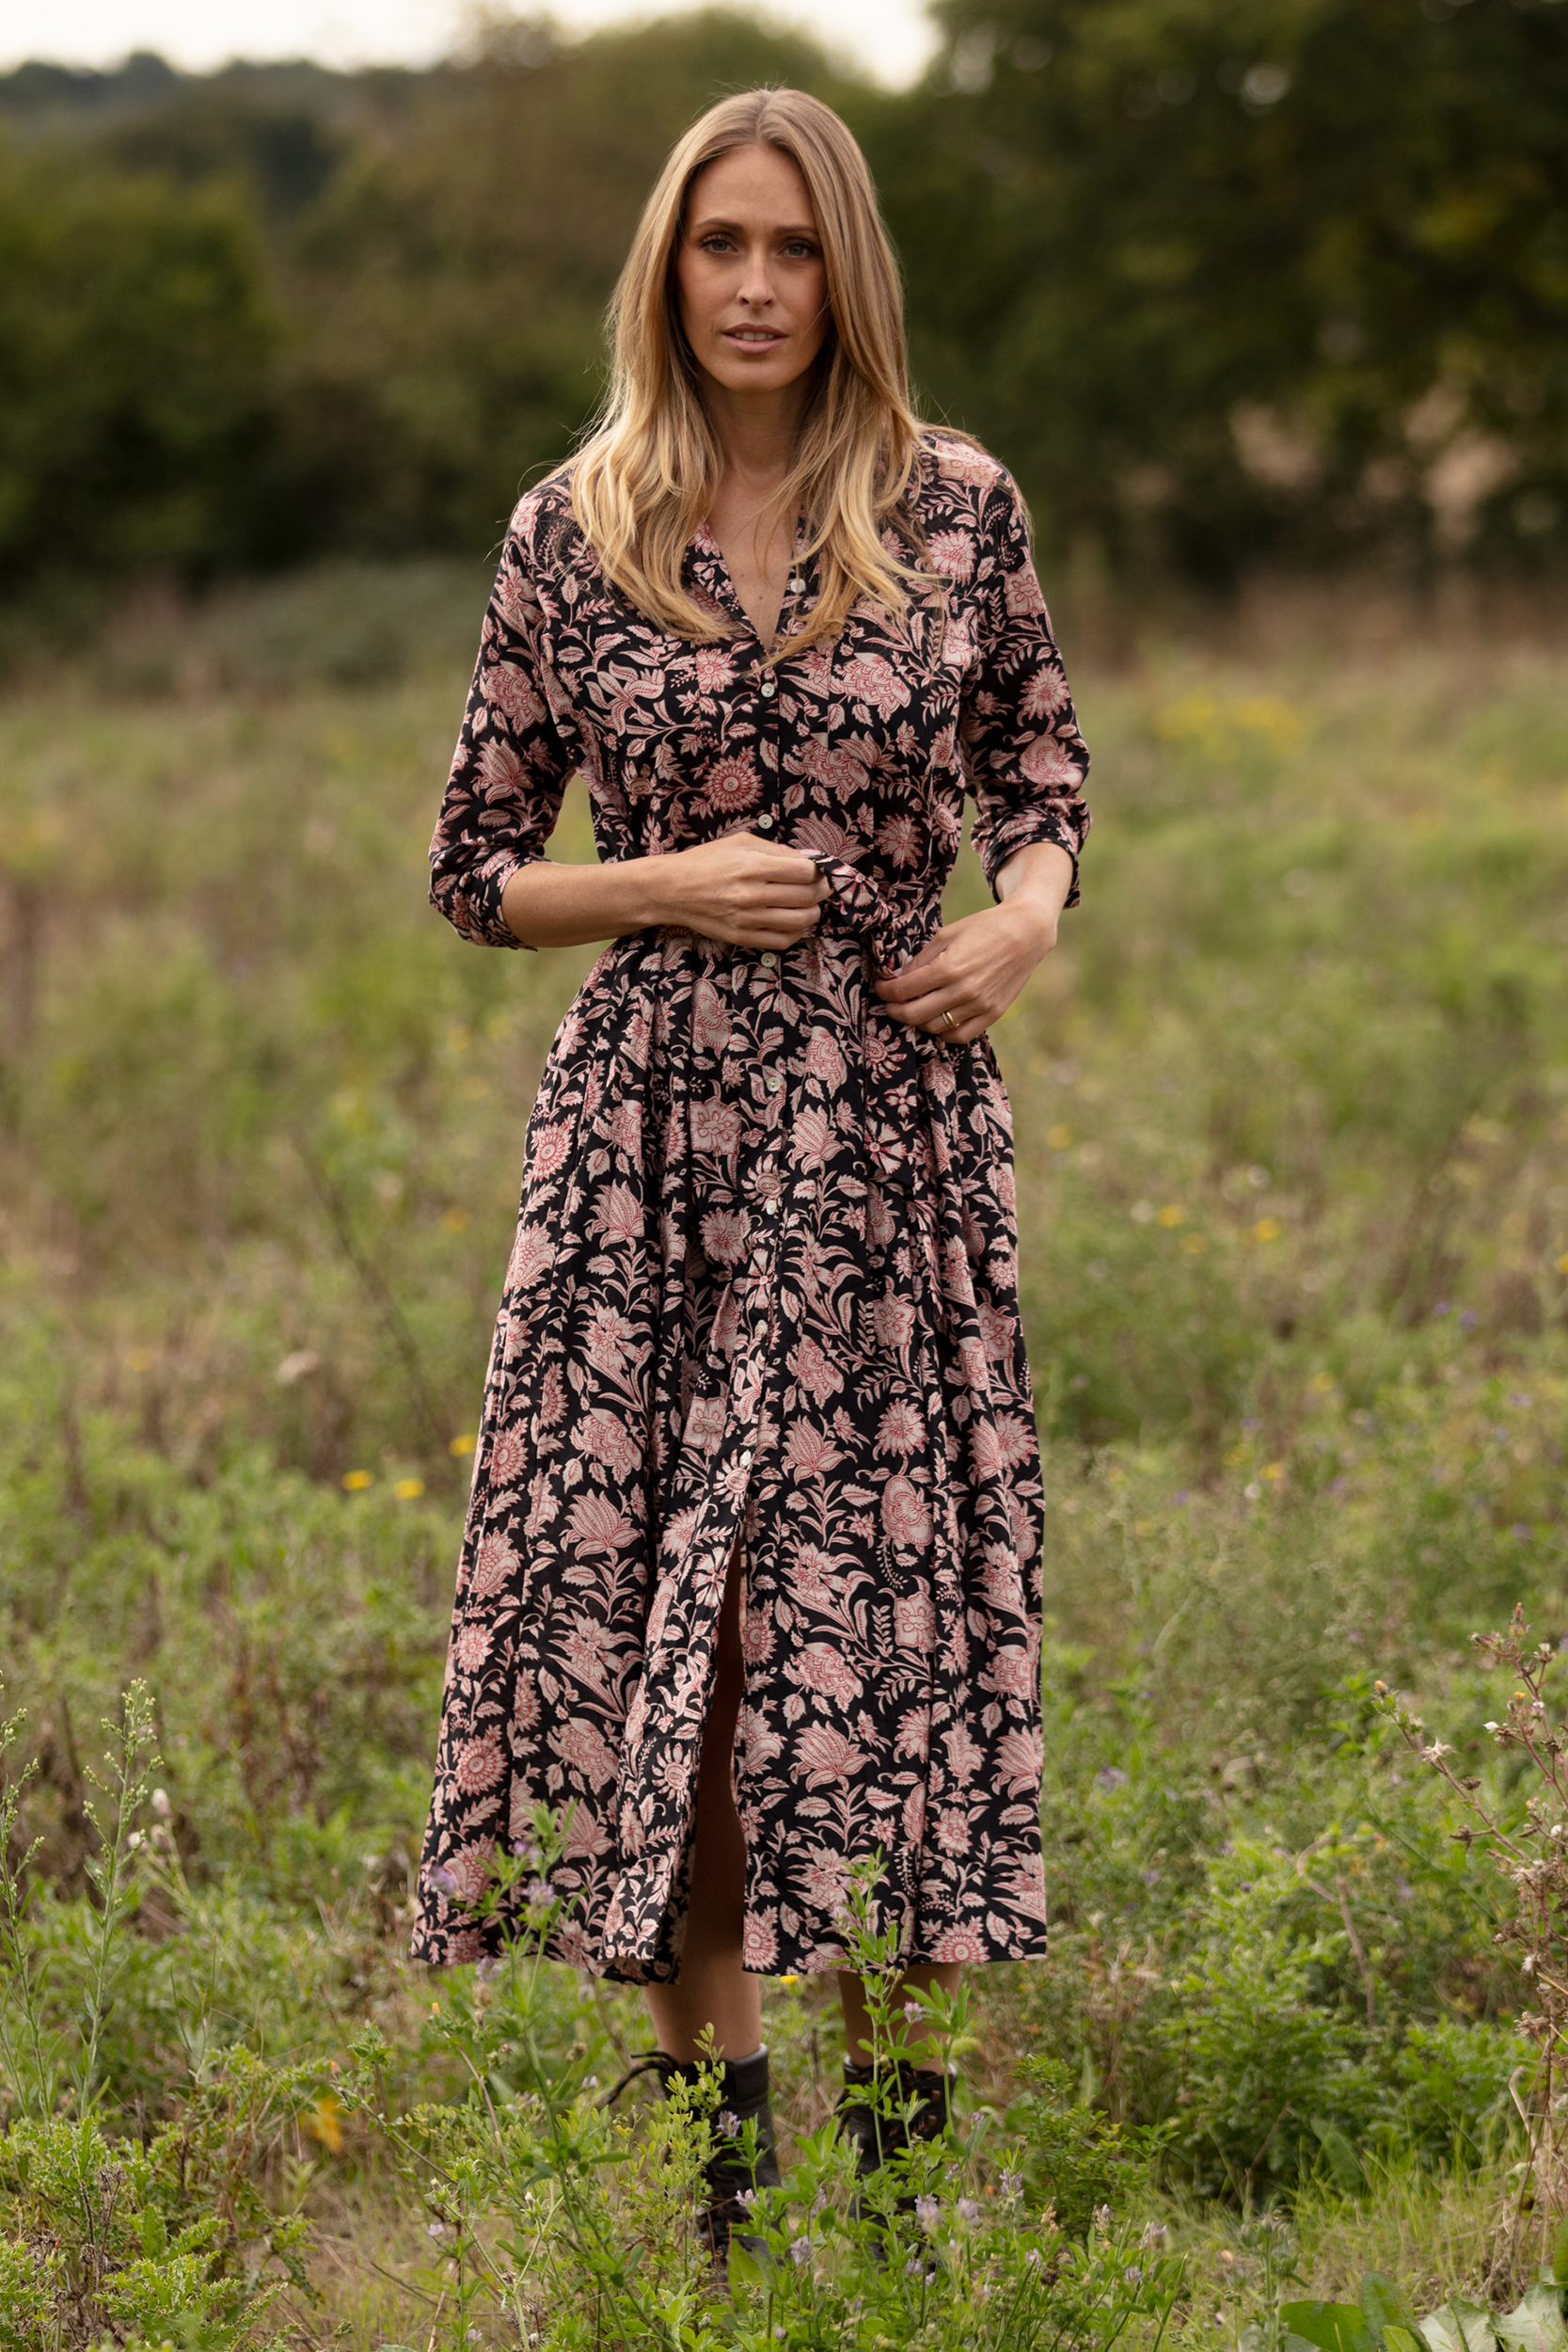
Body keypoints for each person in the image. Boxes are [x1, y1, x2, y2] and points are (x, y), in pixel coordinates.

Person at [410, 85, 1090, 2254]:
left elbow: (1043, 765)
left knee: (882, 1643)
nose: (760, 287)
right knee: (683, 1672)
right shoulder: (571, 524)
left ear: (848, 269)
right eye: (723, 246)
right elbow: (471, 869)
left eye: (796, 249)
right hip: (653, 1160)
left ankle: (891, 2233)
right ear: (668, 266)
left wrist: (1032, 909)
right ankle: (721, 2225)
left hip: (894, 1144)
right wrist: (663, 887)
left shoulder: (958, 505)